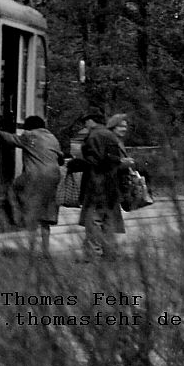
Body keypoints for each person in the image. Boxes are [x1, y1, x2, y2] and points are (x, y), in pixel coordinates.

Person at [0, 115, 63, 255]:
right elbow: (61, 158)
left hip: (34, 176)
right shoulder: (53, 138)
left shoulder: (29, 136)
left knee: (12, 189)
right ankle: (45, 251)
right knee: (47, 217)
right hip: (54, 178)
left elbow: (11, 139)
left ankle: (18, 219)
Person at [77, 111, 134, 260]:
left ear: (91, 121)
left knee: (94, 220)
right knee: (108, 220)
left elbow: (96, 160)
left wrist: (78, 163)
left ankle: (93, 253)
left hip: (97, 183)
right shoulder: (111, 138)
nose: (85, 125)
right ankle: (110, 253)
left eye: (86, 122)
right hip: (111, 185)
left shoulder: (95, 135)